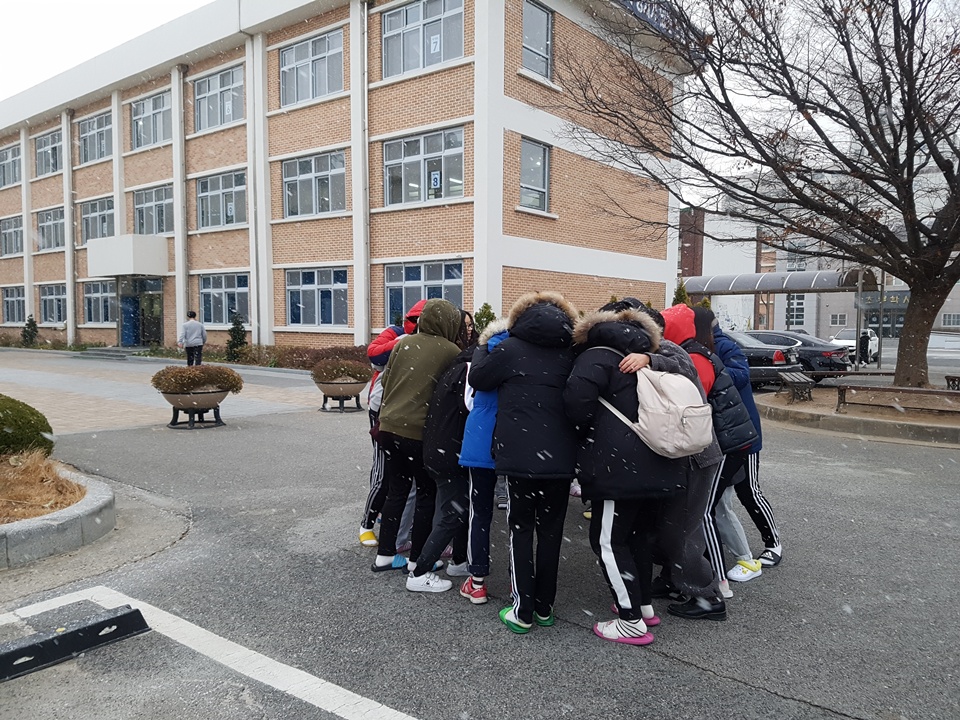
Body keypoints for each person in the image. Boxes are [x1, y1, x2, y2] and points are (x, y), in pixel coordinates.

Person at [564, 300, 680, 645]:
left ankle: (630, 620)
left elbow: (576, 407)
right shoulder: (648, 356)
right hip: (657, 459)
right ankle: (642, 606)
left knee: (607, 540)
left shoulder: (593, 357)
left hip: (618, 465)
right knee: (640, 537)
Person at [469, 291, 579, 633]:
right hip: (561, 457)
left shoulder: (510, 350)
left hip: (518, 457)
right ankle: (545, 607)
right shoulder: (572, 353)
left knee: (520, 529)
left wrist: (483, 342)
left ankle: (523, 609)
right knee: (551, 532)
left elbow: (478, 379)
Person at [371, 299, 462, 588]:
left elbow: (387, 382)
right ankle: (418, 561)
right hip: (417, 432)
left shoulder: (402, 343)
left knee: (397, 490)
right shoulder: (451, 351)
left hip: (388, 426)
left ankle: (385, 554)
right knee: (426, 494)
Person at [407, 310, 476, 592]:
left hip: (437, 448)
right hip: (450, 452)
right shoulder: (466, 368)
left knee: (453, 507)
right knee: (453, 513)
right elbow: (468, 409)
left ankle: (458, 561)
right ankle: (419, 572)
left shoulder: (453, 366)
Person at [712, 320, 783, 574]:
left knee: (749, 490)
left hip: (745, 435)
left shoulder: (725, 346)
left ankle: (773, 544)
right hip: (723, 437)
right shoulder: (701, 347)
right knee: (718, 496)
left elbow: (742, 375)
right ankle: (717, 544)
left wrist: (711, 368)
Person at [358, 300, 426, 548]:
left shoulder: (435, 343)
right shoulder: (396, 333)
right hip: (382, 411)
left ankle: (391, 522)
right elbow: (375, 355)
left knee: (404, 481)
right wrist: (406, 340)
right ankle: (366, 523)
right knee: (383, 473)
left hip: (410, 414)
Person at [457, 317, 509, 605]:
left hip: (481, 437)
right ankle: (520, 584)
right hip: (517, 438)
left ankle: (477, 580)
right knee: (518, 516)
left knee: (479, 511)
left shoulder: (483, 352)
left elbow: (470, 399)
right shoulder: (526, 351)